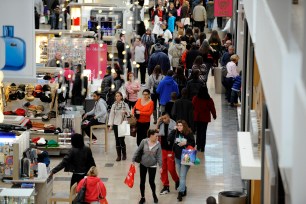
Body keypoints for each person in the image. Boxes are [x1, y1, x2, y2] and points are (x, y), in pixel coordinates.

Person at [168, 120, 195, 202]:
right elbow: (169, 139)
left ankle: (180, 192)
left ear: (184, 126)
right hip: (177, 157)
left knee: (182, 176)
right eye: (178, 125)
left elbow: (193, 143)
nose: (179, 127)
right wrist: (173, 130)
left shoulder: (188, 133)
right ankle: (184, 189)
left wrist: (185, 143)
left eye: (181, 125)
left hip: (187, 156)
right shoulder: (176, 133)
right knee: (181, 175)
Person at [132, 129, 162, 204]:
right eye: (156, 136)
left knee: (151, 182)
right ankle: (142, 197)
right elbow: (138, 150)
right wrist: (133, 160)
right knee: (142, 181)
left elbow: (159, 156)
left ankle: (154, 195)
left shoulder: (158, 144)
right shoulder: (144, 141)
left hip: (153, 165)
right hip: (143, 164)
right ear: (151, 136)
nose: (157, 138)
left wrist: (161, 166)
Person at [156, 113, 179, 195]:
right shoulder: (161, 124)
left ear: (169, 117)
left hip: (170, 150)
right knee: (163, 169)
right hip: (162, 149)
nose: (164, 120)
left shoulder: (174, 125)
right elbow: (156, 133)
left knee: (171, 168)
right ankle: (166, 186)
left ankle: (177, 180)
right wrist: (158, 123)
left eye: (165, 118)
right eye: (163, 118)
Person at [192, 86, 216, 152]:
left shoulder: (195, 98)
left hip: (197, 117)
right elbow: (212, 108)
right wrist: (214, 115)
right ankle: (202, 146)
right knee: (203, 132)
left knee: (198, 132)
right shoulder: (209, 99)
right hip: (205, 118)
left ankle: (198, 145)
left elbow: (192, 106)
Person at [108, 92, 131, 161]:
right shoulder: (114, 105)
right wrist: (110, 125)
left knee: (121, 140)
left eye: (118, 96)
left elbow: (129, 113)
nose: (117, 97)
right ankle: (118, 155)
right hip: (115, 124)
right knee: (117, 140)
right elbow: (111, 116)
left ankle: (124, 154)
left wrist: (126, 112)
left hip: (123, 123)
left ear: (121, 97)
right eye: (116, 96)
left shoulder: (125, 104)